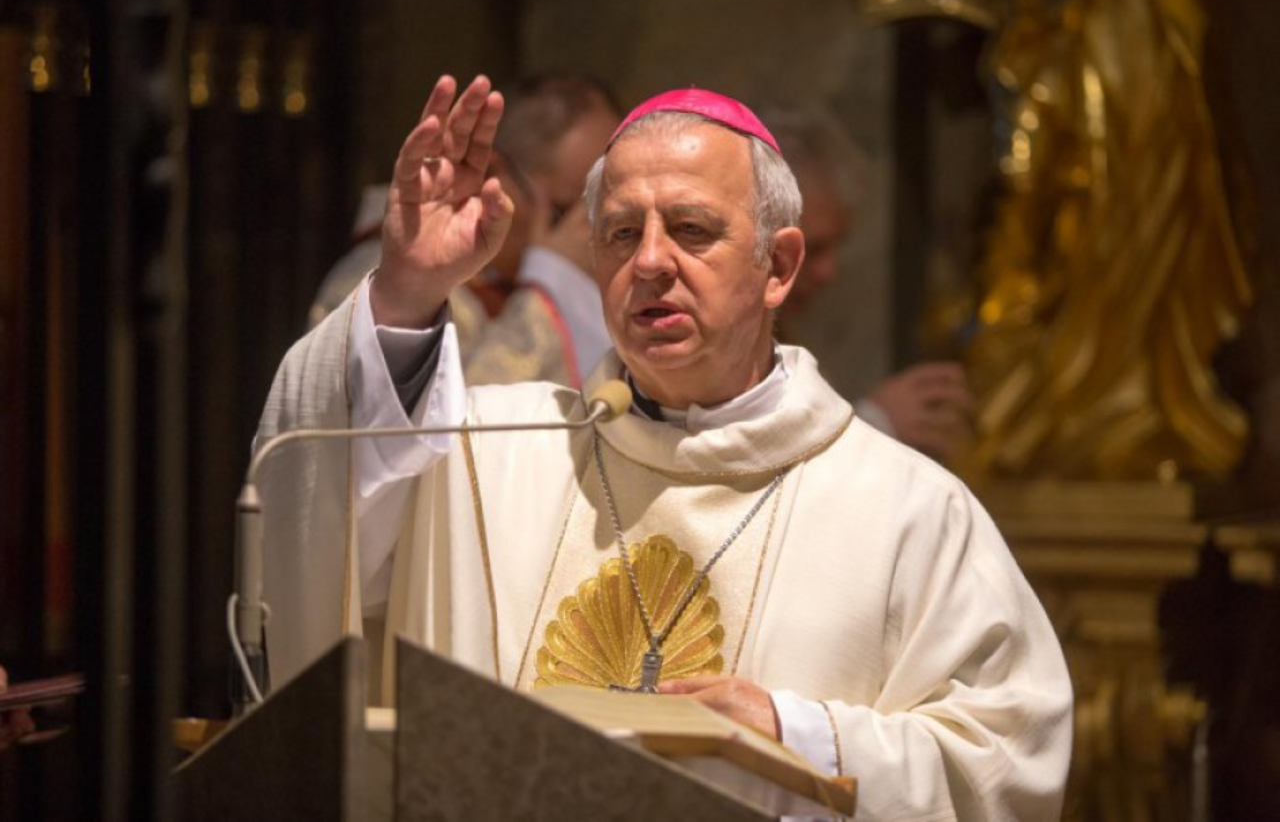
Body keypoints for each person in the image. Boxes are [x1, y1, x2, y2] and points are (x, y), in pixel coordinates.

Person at [256, 74, 1072, 819]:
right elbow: (317, 499)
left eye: (691, 229)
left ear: (779, 265)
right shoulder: (487, 452)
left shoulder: (908, 509)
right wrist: (407, 290)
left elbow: (1007, 763)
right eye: (620, 233)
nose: (649, 261)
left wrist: (791, 731)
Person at [309, 74, 620, 388]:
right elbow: (430, 414)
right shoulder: (385, 285)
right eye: (563, 212)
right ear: (492, 174)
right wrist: (546, 291)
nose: (582, 239)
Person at [761, 106, 975, 463]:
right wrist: (877, 421)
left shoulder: (784, 335)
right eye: (814, 248)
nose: (829, 272)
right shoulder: (721, 346)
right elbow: (753, 474)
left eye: (836, 247)